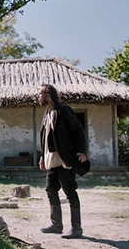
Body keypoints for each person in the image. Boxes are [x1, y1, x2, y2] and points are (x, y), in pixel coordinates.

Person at [38, 84, 89, 239]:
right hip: (51, 160)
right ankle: (56, 225)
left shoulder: (63, 110)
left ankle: (76, 229)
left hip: (65, 159)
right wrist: (43, 157)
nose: (38, 96)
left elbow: (78, 130)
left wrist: (81, 150)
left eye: (40, 93)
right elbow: (46, 140)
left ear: (48, 94)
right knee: (50, 190)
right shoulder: (46, 114)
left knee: (69, 191)